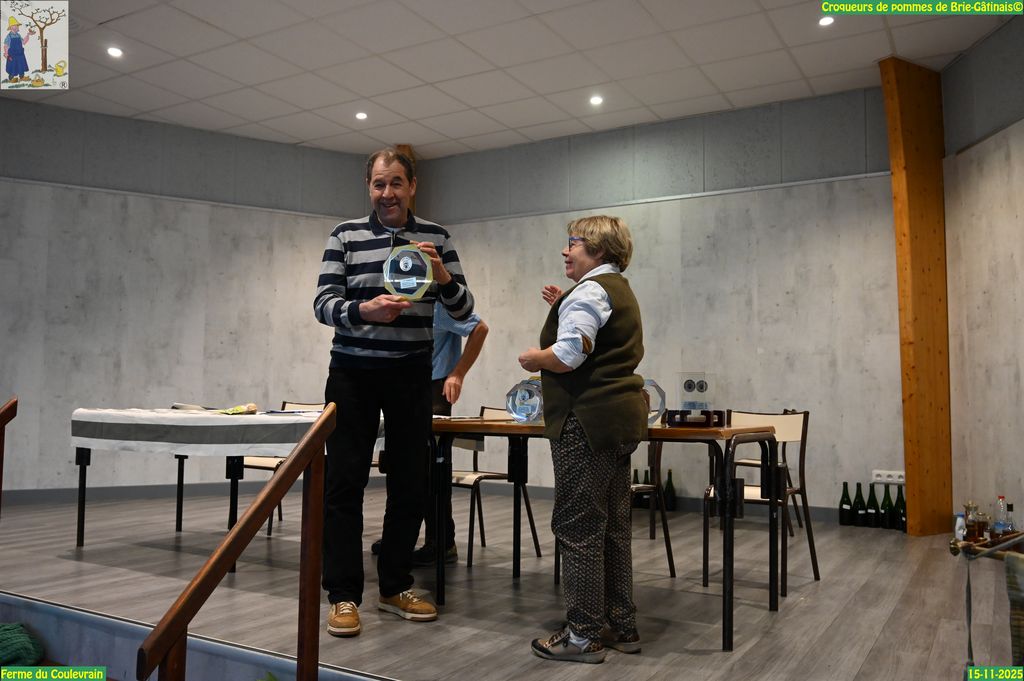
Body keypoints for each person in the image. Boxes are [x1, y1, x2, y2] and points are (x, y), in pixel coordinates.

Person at [314, 148, 474, 638]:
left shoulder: (437, 238)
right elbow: (322, 303)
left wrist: (444, 278)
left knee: (410, 484)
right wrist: (365, 311)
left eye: (396, 183)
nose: (388, 193)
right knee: (344, 485)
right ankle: (343, 595)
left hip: (410, 374)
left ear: (412, 186)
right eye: (379, 184)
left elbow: (465, 310)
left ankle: (394, 586)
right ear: (369, 186)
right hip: (352, 374)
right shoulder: (344, 235)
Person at [518, 215, 646, 664]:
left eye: (573, 242)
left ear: (598, 249)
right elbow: (597, 339)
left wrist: (535, 358)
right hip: (617, 423)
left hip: (584, 423)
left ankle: (583, 635)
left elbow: (570, 353)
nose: (565, 250)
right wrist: (565, 304)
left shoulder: (590, 292)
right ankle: (621, 624)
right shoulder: (614, 289)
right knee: (613, 528)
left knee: (578, 528)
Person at [414, 304, 488, 566]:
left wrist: (458, 373)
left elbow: (480, 329)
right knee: (405, 469)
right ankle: (401, 538)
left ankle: (442, 542)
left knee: (431, 470)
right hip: (406, 386)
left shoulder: (439, 306)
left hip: (434, 388)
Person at [3, 17, 33, 84]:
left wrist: (28, 35)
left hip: (20, 55)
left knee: (21, 66)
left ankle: (22, 77)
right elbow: (6, 46)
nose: (17, 27)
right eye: (15, 25)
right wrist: (7, 55)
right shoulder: (9, 37)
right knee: (12, 67)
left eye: (17, 25)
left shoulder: (18, 35)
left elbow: (23, 42)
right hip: (12, 56)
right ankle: (11, 78)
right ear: (11, 27)